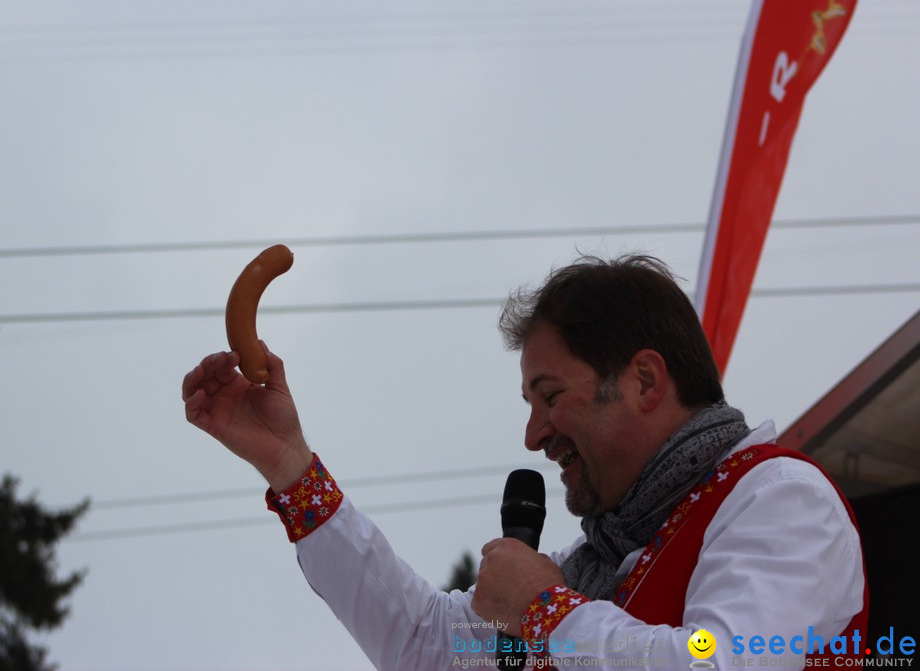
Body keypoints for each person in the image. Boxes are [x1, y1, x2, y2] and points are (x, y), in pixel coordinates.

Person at [182, 254, 867, 670]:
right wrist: (291, 470)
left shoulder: (778, 499)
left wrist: (545, 610)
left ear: (645, 382)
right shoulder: (592, 569)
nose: (533, 435)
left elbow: (715, 662)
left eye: (550, 396)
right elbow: (425, 644)